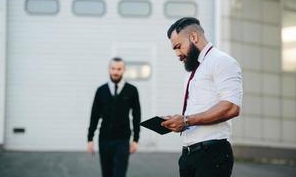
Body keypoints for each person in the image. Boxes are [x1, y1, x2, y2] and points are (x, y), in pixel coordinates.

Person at [161, 17, 243, 177]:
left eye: (178, 47)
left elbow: (232, 107)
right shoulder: (193, 70)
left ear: (193, 37)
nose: (178, 54)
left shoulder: (222, 61)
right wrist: (179, 121)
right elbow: (197, 110)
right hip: (188, 155)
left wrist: (186, 120)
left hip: (212, 154)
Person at [87, 57, 141, 177]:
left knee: (119, 174)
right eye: (113, 68)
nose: (115, 72)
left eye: (119, 69)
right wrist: (90, 138)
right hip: (104, 139)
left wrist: (136, 139)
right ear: (109, 69)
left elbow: (136, 116)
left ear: (123, 70)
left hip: (122, 140)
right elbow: (94, 115)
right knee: (106, 174)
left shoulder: (132, 90)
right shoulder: (100, 91)